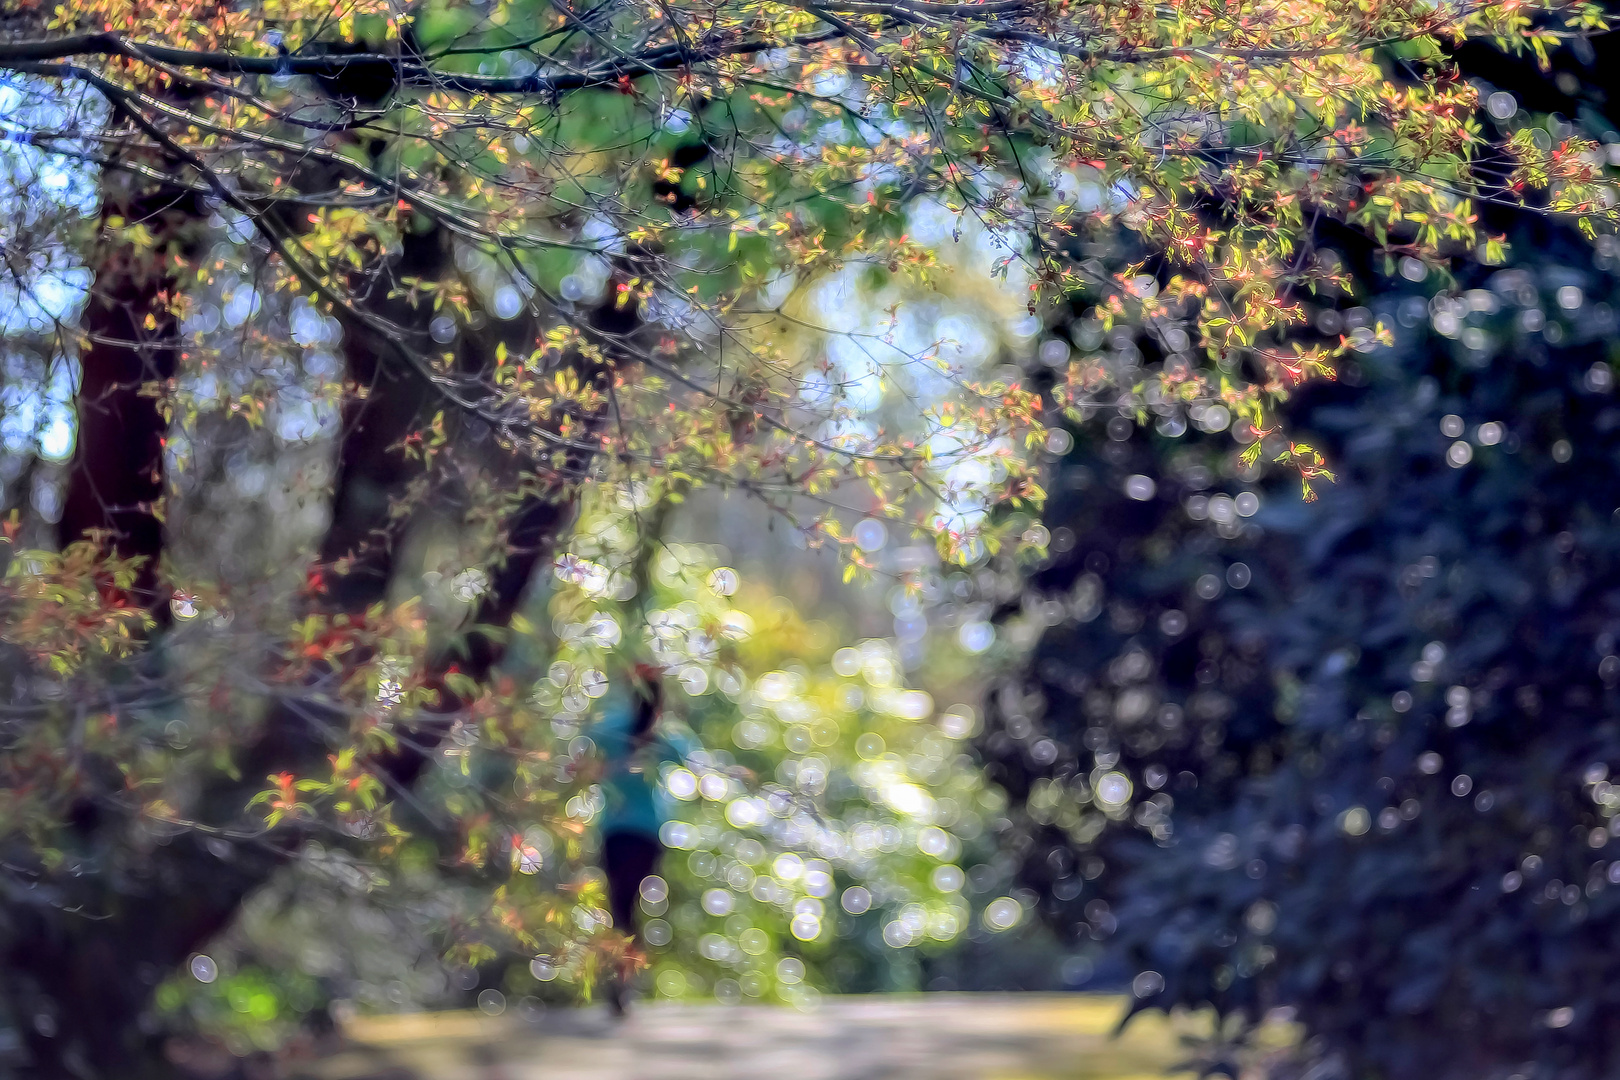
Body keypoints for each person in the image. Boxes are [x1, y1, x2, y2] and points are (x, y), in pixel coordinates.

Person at [592, 663, 693, 1014]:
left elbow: (584, 760)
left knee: (619, 906)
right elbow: (694, 764)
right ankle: (625, 979)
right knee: (628, 906)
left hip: (616, 831)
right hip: (648, 833)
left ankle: (622, 978)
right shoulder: (665, 736)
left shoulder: (611, 729)